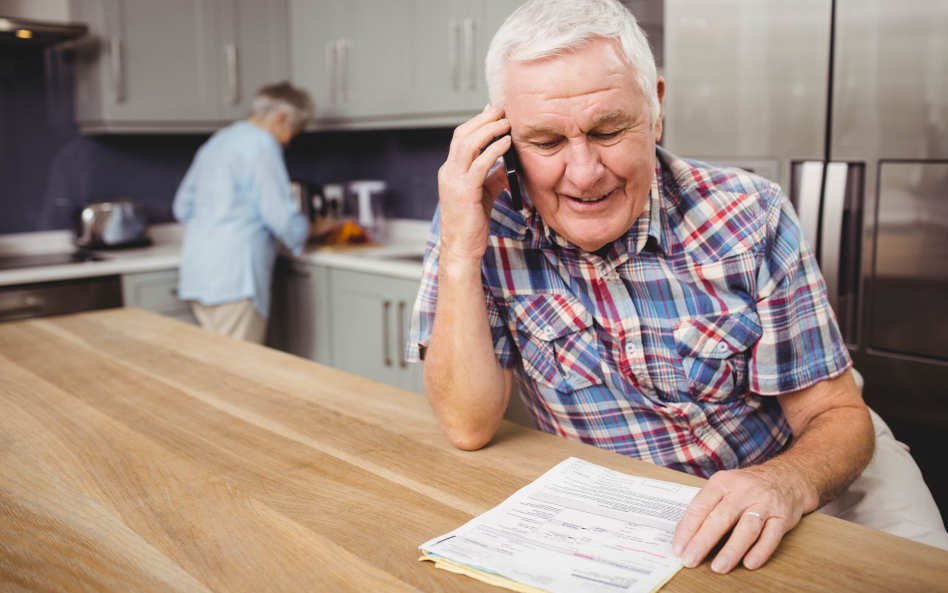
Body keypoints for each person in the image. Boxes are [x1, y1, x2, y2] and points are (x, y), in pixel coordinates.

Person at [407, 0, 948, 575]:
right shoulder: (478, 222)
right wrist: (461, 254)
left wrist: (785, 482)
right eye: (546, 142)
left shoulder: (750, 213)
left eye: (608, 129)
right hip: (648, 511)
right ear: (504, 137)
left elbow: (835, 412)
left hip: (810, 467)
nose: (585, 172)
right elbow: (467, 426)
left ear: (656, 107)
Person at [173, 82, 314, 343]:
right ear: (281, 118)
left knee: (216, 362)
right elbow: (280, 217)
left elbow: (182, 207)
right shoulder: (263, 145)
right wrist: (307, 230)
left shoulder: (220, 139)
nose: (292, 139)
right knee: (238, 371)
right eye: (296, 129)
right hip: (236, 277)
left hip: (200, 270)